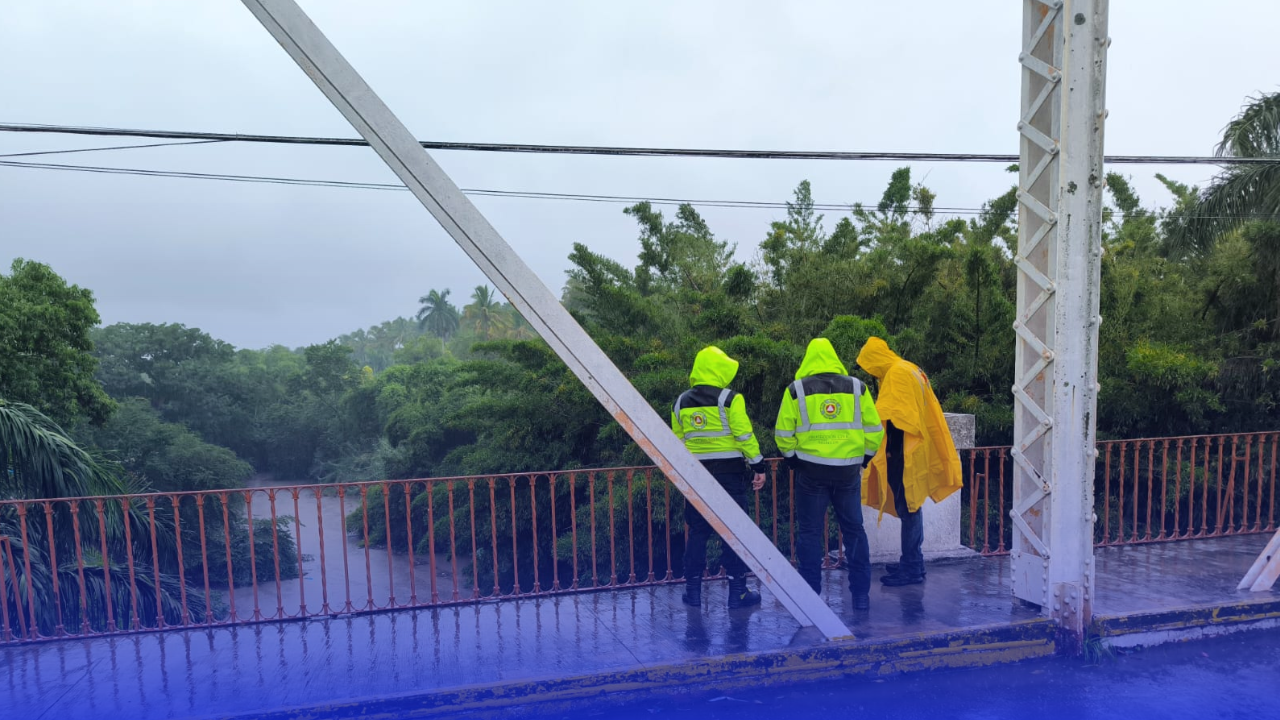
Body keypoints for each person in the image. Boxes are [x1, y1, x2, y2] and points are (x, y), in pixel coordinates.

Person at [774, 338, 884, 610]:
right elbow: (875, 431)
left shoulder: (796, 389)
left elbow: (783, 434)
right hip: (847, 472)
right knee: (854, 531)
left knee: (810, 533)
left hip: (811, 472)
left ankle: (810, 598)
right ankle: (861, 596)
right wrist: (864, 458)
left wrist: (793, 461)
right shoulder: (858, 387)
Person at [856, 337, 963, 587]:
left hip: (904, 453)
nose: (870, 373)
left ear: (874, 360)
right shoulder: (910, 368)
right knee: (911, 507)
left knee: (909, 509)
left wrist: (886, 452)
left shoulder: (896, 374)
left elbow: (896, 419)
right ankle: (913, 561)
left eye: (868, 366)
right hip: (914, 450)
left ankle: (912, 567)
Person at [672, 346, 769, 609]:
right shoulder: (730, 398)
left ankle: (693, 592)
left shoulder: (680, 401)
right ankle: (738, 593)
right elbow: (744, 435)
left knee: (698, 533)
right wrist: (758, 465)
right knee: (734, 532)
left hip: (696, 474)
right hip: (729, 473)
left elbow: (678, 441)